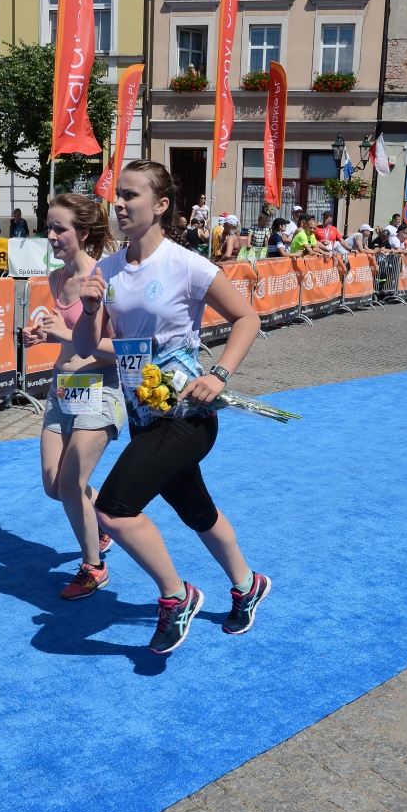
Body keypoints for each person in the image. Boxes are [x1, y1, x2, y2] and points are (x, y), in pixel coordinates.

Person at [73, 159, 269, 654]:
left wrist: (219, 374)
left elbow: (247, 318)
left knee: (114, 510)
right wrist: (91, 308)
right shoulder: (106, 269)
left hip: (188, 415)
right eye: (117, 195)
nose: (119, 204)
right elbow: (87, 345)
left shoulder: (187, 264)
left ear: (160, 205)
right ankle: (248, 585)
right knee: (197, 510)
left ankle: (176, 596)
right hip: (144, 414)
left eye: (130, 195)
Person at [23, 194, 125, 600]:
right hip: (62, 388)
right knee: (55, 486)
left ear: (82, 233)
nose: (50, 236)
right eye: (48, 227)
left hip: (100, 388)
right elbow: (66, 340)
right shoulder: (55, 278)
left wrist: (63, 333)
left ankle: (93, 567)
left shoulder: (104, 281)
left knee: (70, 483)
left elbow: (121, 350)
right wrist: (40, 337)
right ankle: (102, 522)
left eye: (59, 228)